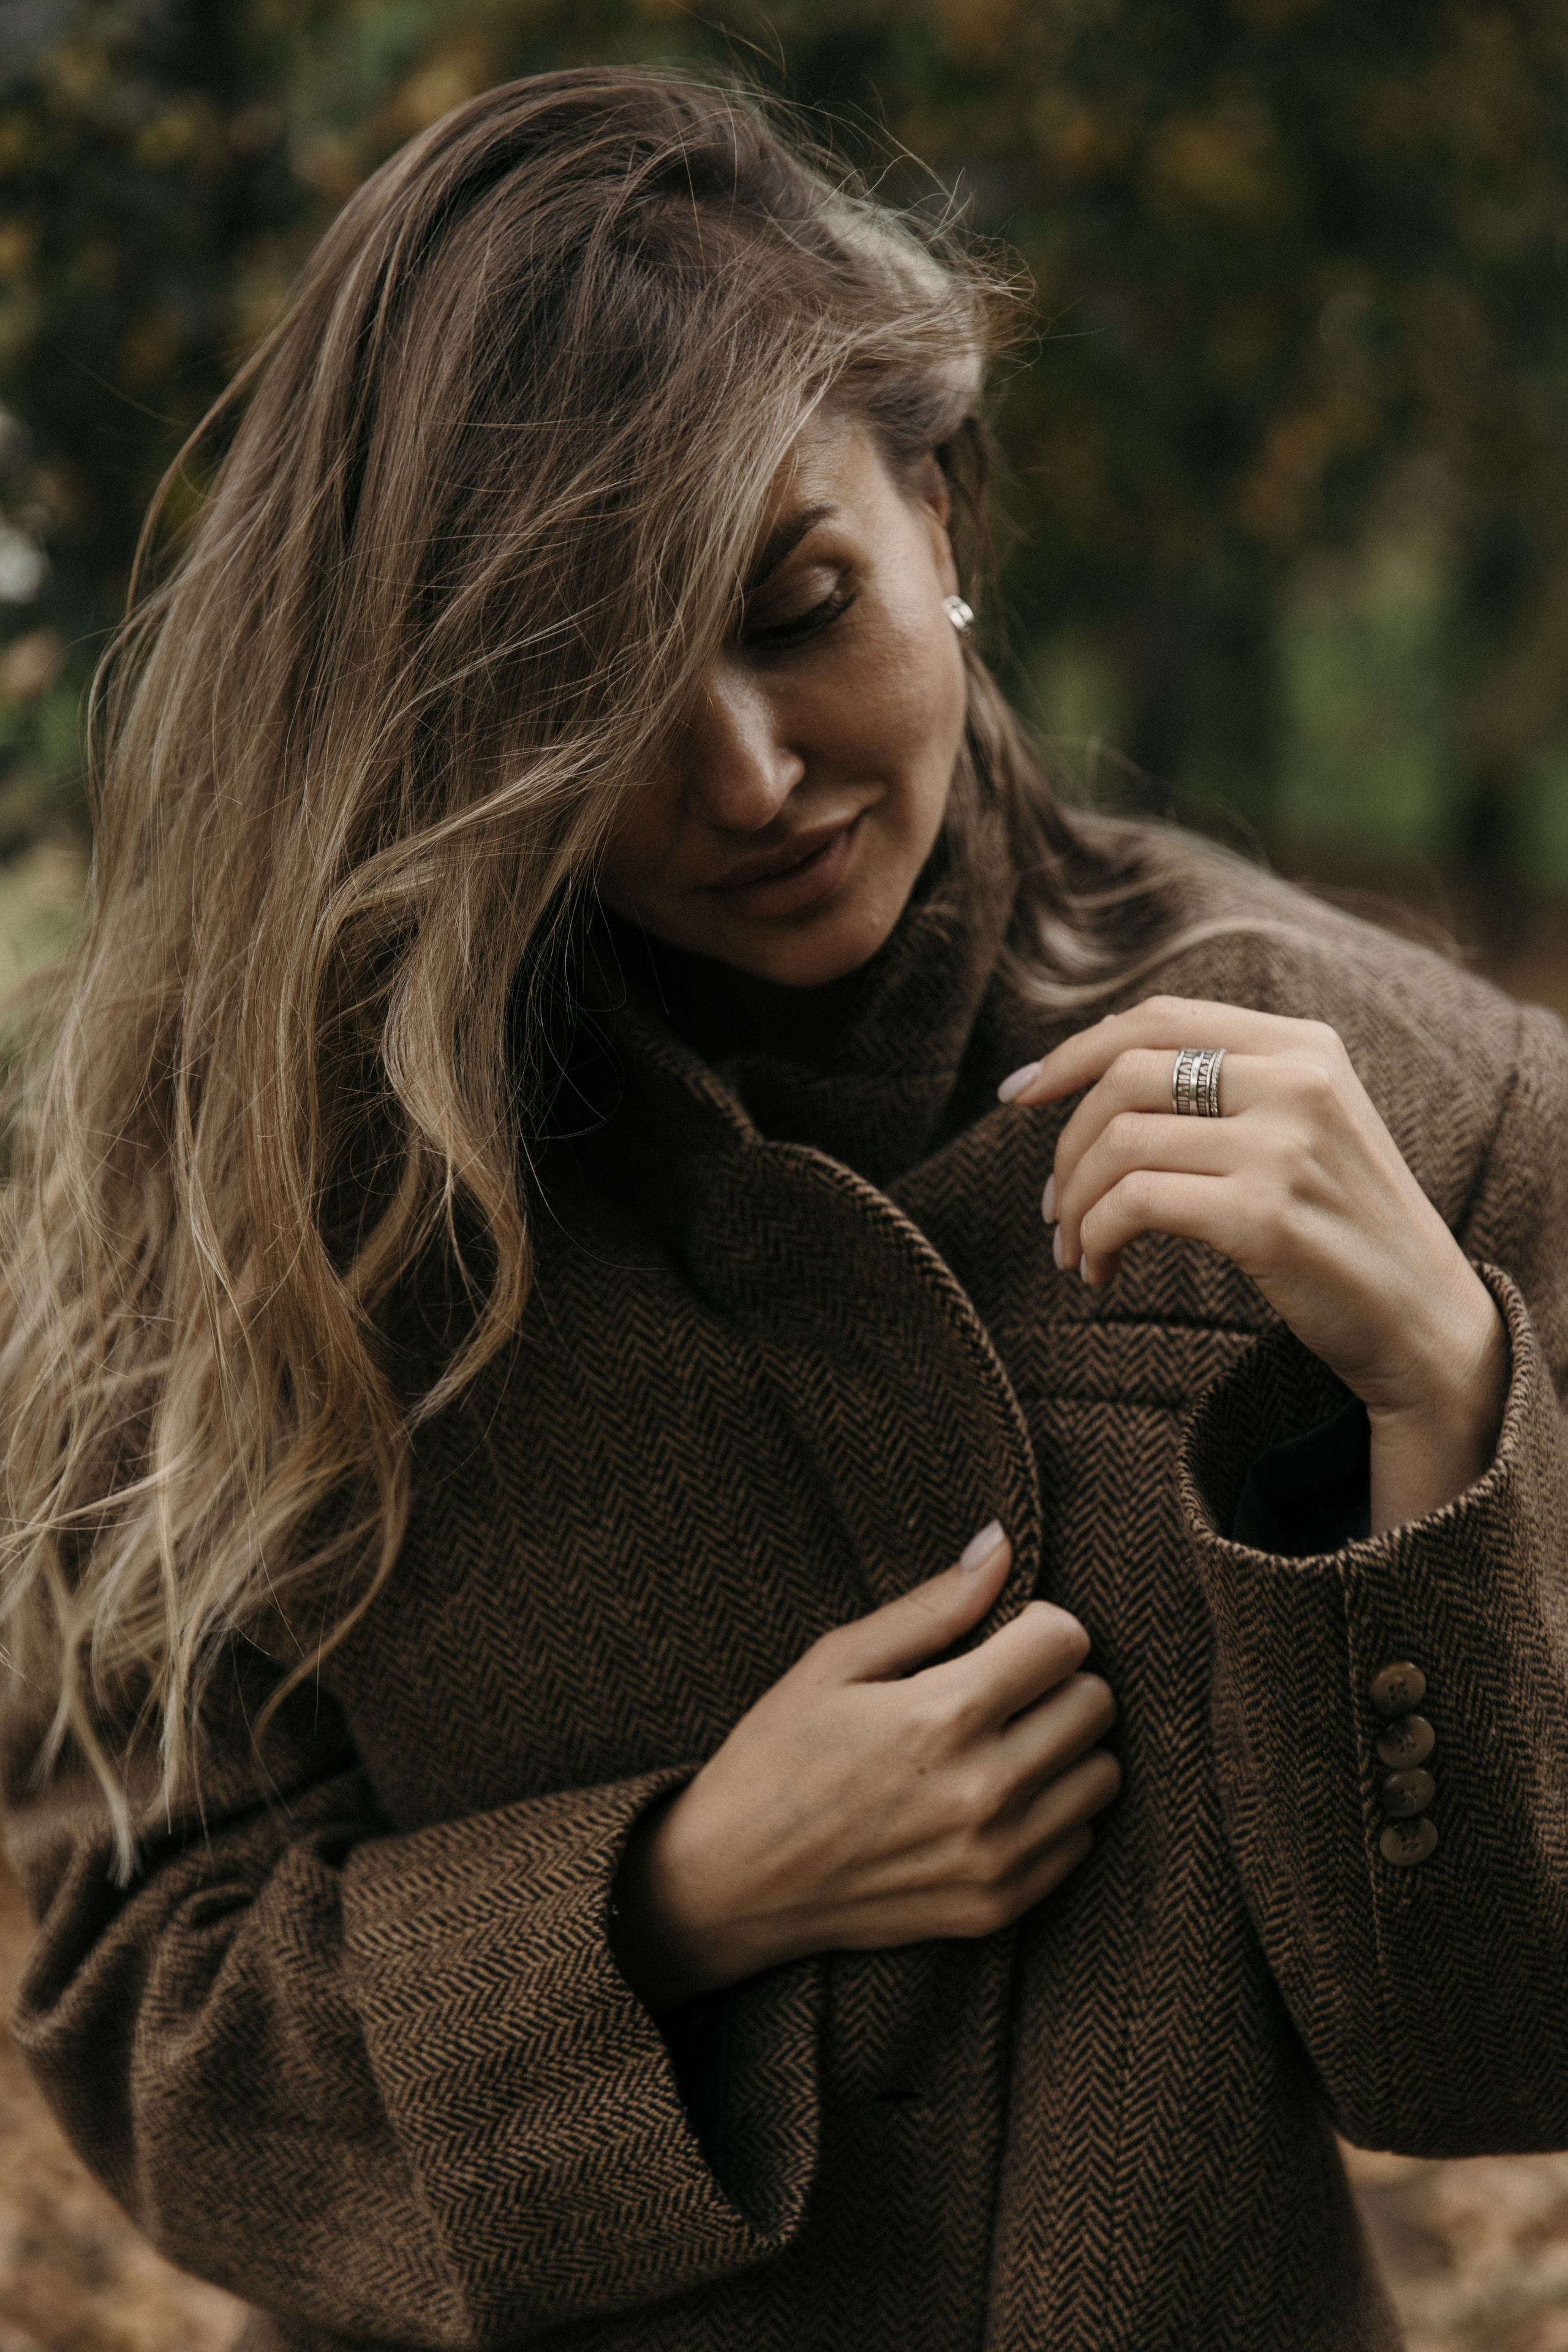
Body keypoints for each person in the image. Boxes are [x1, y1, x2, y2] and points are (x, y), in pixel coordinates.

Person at [1, 67, 1565, 2352]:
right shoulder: (268, 1202)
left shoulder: (1413, 1109)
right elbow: (139, 2005)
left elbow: (1501, 2057)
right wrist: (667, 1905)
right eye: (593, 687)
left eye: (797, 605)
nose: (746, 773)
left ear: (940, 507)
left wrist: (1440, 1392)